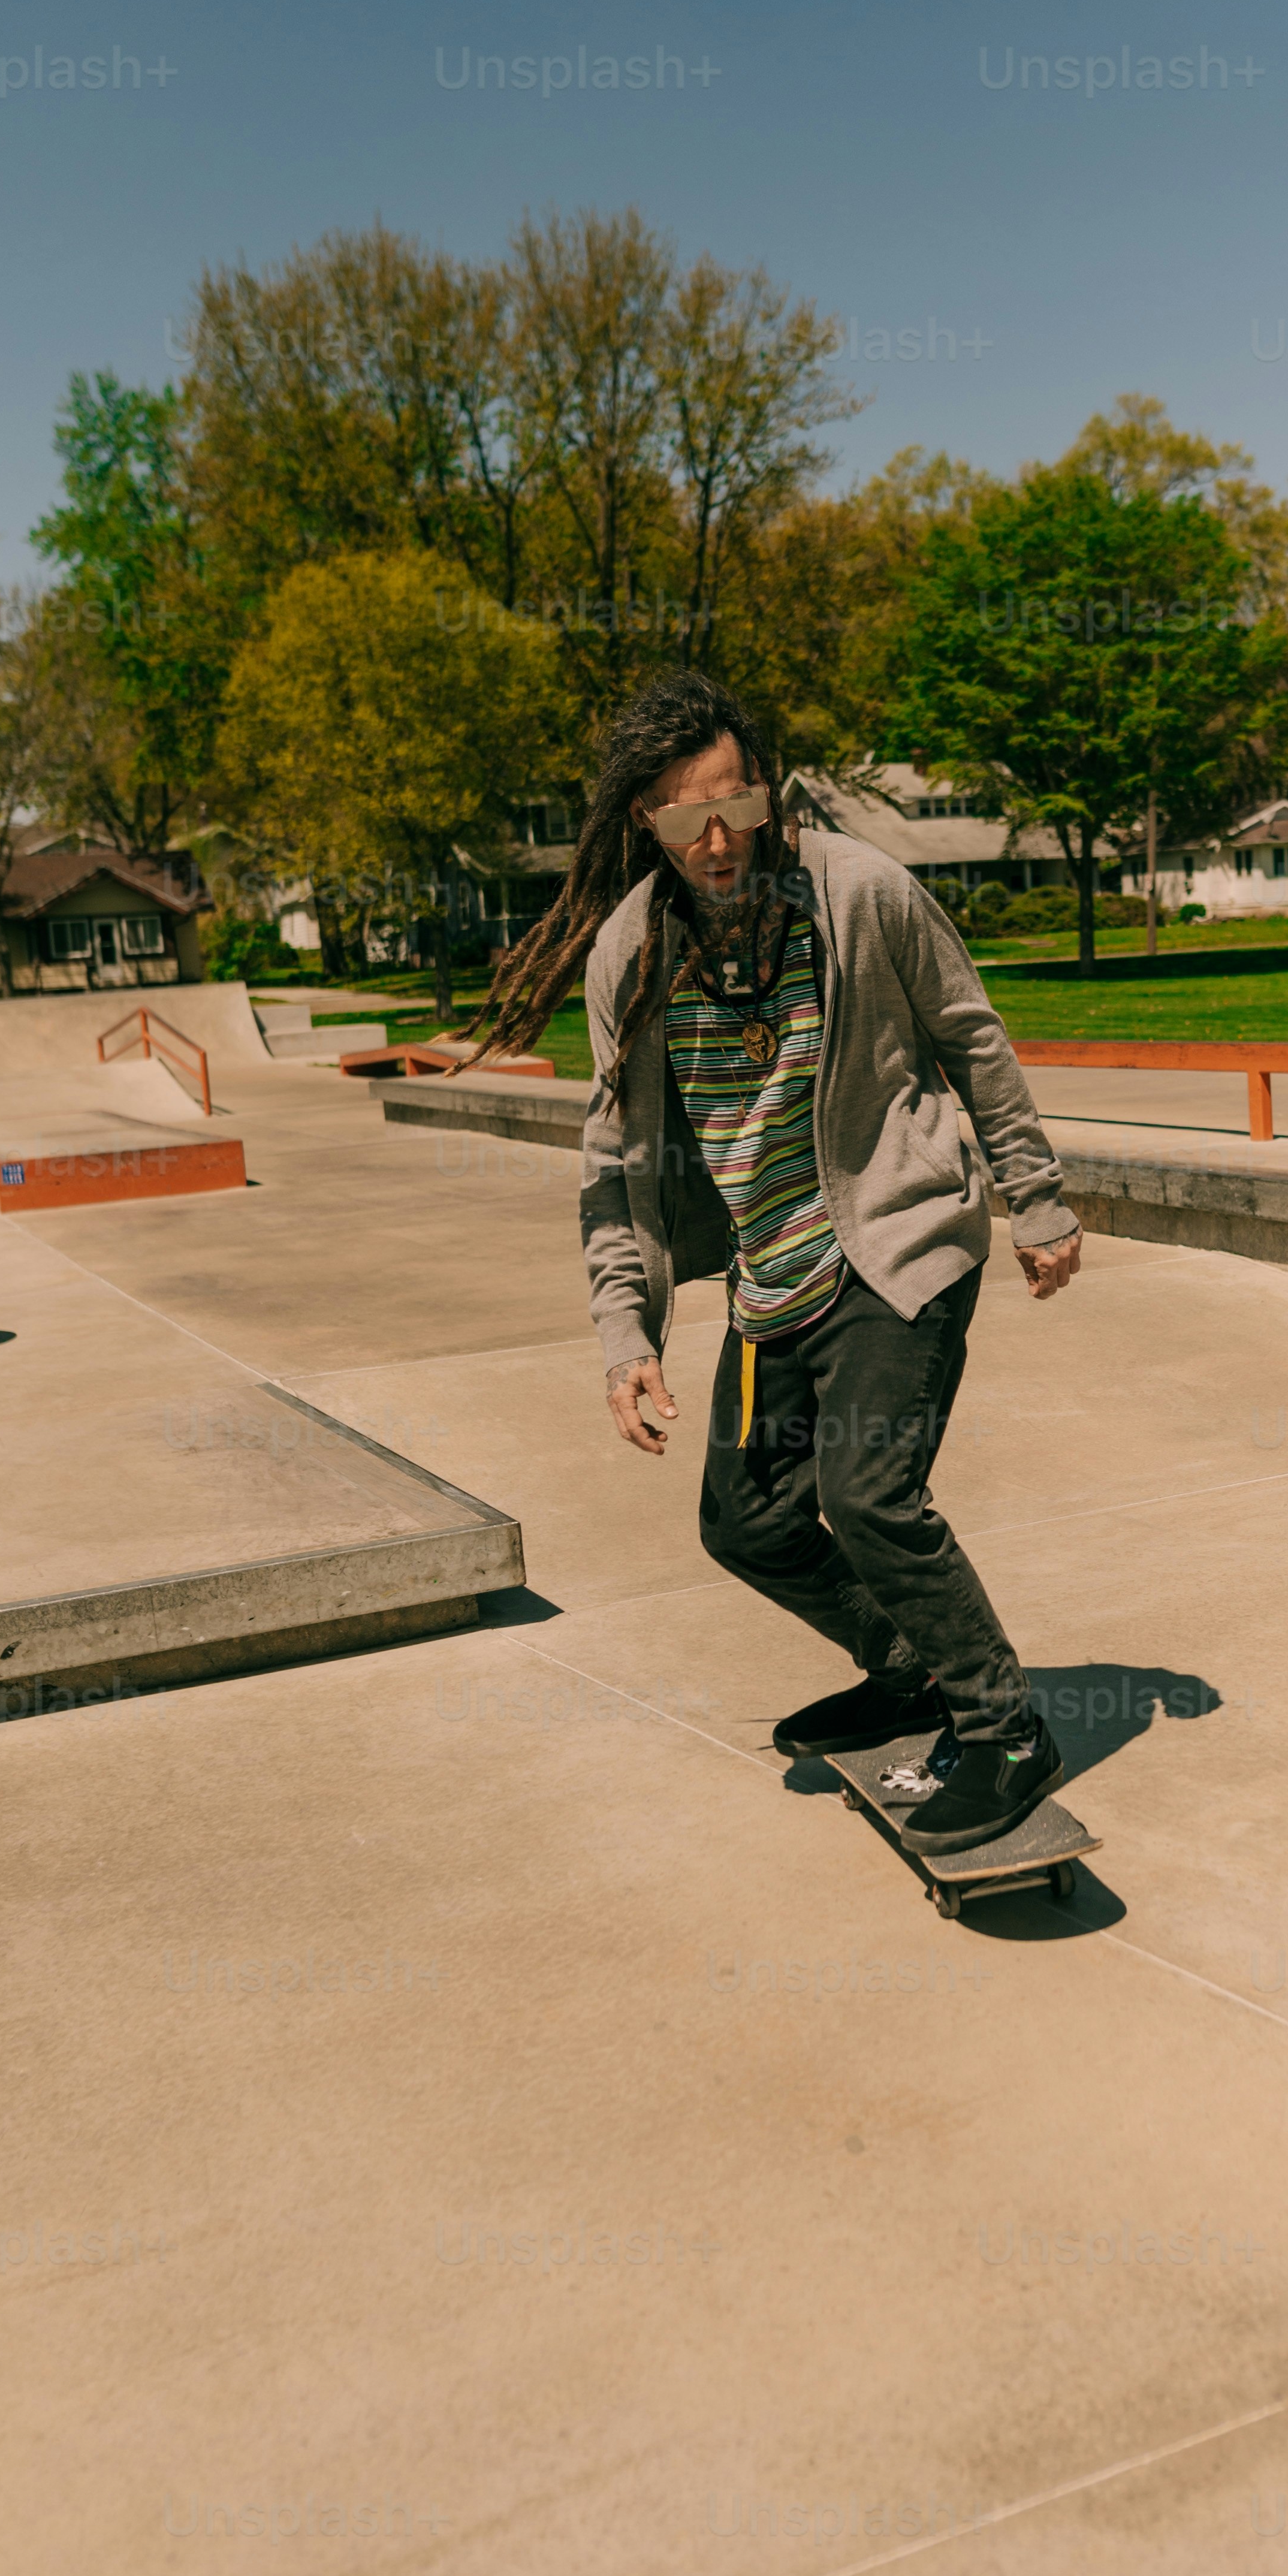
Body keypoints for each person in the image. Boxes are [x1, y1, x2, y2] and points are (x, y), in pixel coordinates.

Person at [476, 668, 1082, 1851]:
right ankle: (905, 1661)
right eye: (679, 817)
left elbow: (972, 1037)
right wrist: (623, 1336)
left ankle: (1003, 1726)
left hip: (897, 1245)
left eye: (734, 806)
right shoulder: (629, 956)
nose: (713, 839)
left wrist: (1036, 1197)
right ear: (643, 825)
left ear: (768, 791)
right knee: (745, 1523)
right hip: (774, 1274)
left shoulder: (859, 895)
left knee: (865, 1498)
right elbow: (612, 1164)